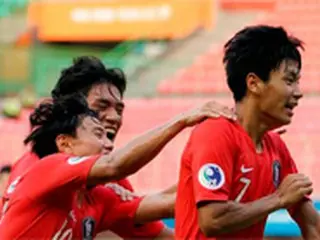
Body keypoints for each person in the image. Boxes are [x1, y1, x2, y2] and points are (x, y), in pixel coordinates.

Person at [3, 56, 236, 239]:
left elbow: (164, 209)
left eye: (119, 109)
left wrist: (233, 177)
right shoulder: (40, 167)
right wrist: (182, 120)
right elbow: (115, 166)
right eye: (102, 106)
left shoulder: (105, 190)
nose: (113, 117)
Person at [175, 25, 320, 240]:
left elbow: (311, 224)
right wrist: (278, 199)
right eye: (289, 81)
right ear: (254, 83)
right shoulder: (215, 132)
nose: (298, 93)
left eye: (298, 82)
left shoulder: (275, 146)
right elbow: (212, 220)